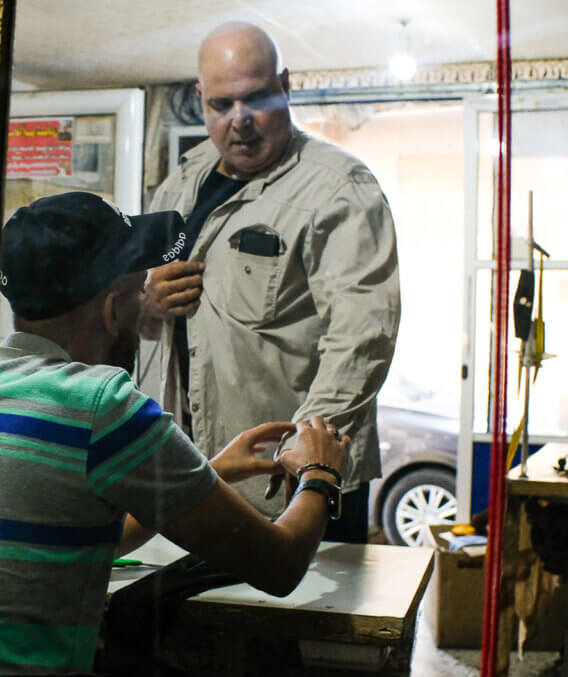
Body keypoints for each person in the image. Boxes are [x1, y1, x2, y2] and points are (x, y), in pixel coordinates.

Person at [0, 191, 349, 676]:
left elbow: (93, 541)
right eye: (140, 292)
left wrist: (207, 476)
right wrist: (320, 473)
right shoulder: (103, 405)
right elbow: (278, 566)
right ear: (113, 309)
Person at [142, 22, 400, 542]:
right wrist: (145, 300)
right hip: (193, 475)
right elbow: (137, 304)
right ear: (199, 100)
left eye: (256, 98)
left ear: (285, 85)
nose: (240, 122)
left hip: (284, 484)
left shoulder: (338, 189)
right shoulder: (181, 182)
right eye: (220, 105)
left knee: (298, 622)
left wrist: (306, 460)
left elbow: (362, 337)